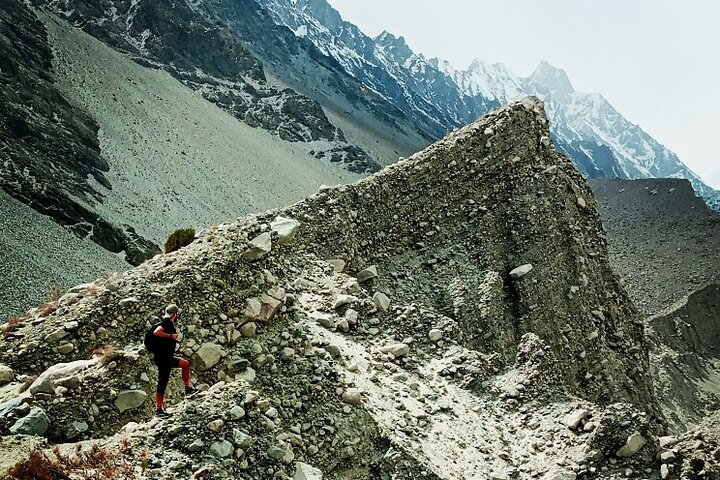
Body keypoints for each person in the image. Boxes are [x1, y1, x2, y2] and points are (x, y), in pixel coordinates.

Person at [152, 303, 197, 417]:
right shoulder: (166, 323)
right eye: (177, 314)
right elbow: (156, 332)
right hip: (164, 360)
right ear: (174, 314)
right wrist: (171, 336)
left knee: (185, 364)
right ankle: (159, 410)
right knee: (163, 382)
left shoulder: (166, 323)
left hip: (166, 357)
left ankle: (188, 387)